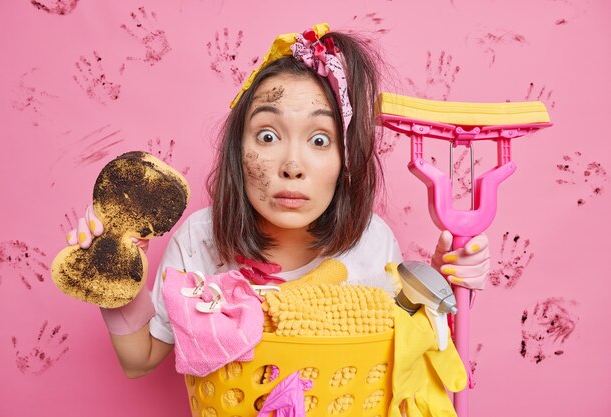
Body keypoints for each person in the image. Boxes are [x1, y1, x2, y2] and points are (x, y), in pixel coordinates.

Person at [66, 23, 490, 379]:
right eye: (268, 136)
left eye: (320, 139)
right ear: (238, 150)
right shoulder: (200, 240)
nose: (292, 165)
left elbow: (404, 362)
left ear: (345, 160)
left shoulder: (371, 243)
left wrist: (439, 288)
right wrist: (114, 278)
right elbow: (139, 361)